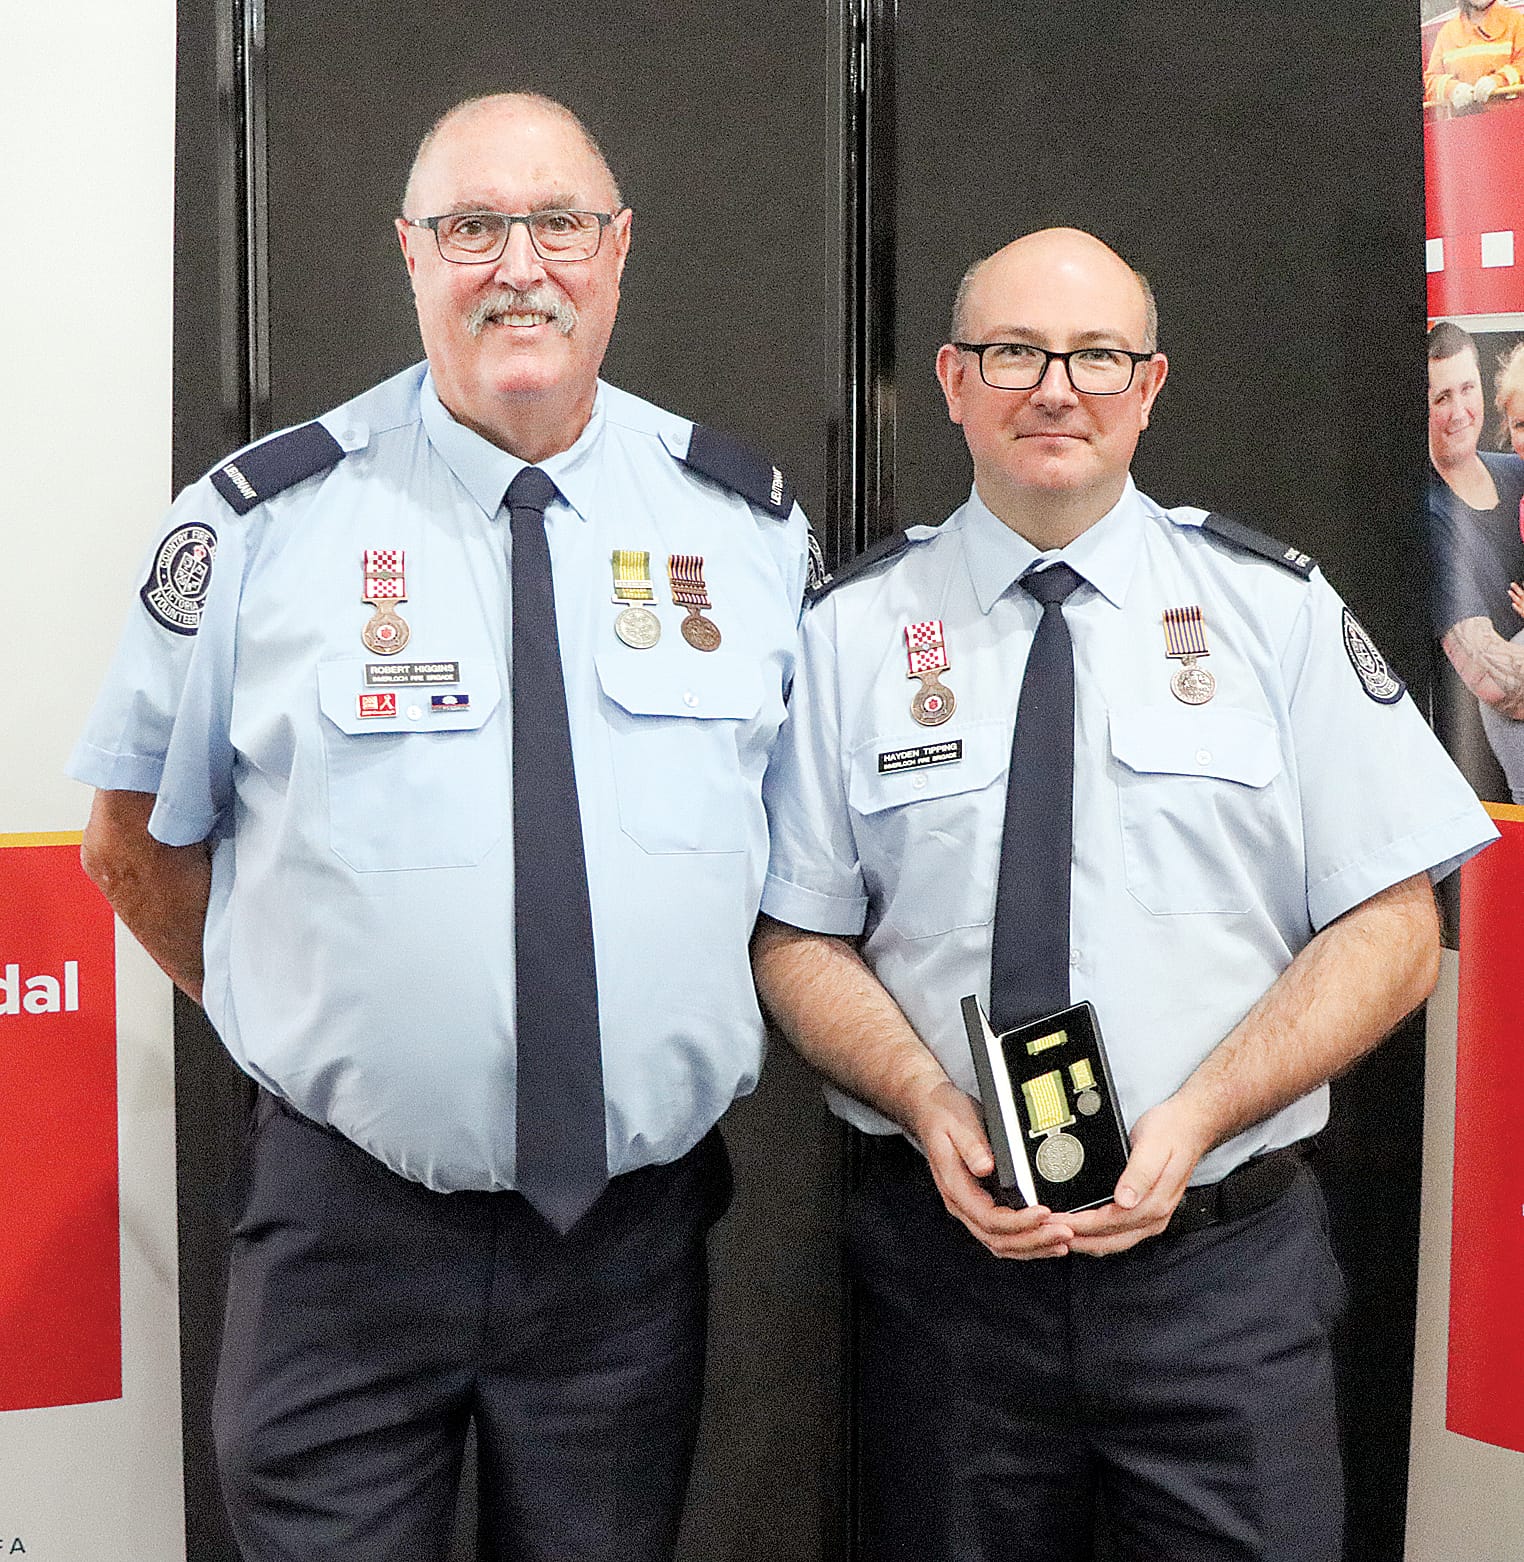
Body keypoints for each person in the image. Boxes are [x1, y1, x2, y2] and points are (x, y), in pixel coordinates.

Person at [71, 92, 814, 1562]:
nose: (518, 265)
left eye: (560, 224)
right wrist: (331, 1032)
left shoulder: (746, 528)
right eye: (472, 226)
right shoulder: (257, 526)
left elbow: (801, 869)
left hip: (623, 1245)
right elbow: (130, 845)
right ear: (411, 254)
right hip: (348, 1231)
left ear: (620, 255)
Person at [752, 227, 1494, 1561]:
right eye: (1015, 352)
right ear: (953, 379)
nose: (1056, 386)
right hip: (948, 1293)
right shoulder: (853, 634)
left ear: (1149, 385)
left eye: (1096, 354)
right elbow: (796, 934)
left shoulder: (1270, 612)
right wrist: (928, 1100)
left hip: (1221, 1282)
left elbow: (1397, 924)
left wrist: (1203, 1109)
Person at [1427, 320, 1524, 800]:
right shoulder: (1429, 518)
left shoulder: (1516, 471)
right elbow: (1496, 682)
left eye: (1467, 388)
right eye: (1441, 397)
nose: (1460, 411)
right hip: (1492, 799)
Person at [1424, 0, 1524, 109]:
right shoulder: (1447, 32)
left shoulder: (1516, 23)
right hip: (1462, 123)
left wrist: (1499, 80)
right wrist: (1452, 90)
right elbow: (1431, 81)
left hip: (1510, 120)